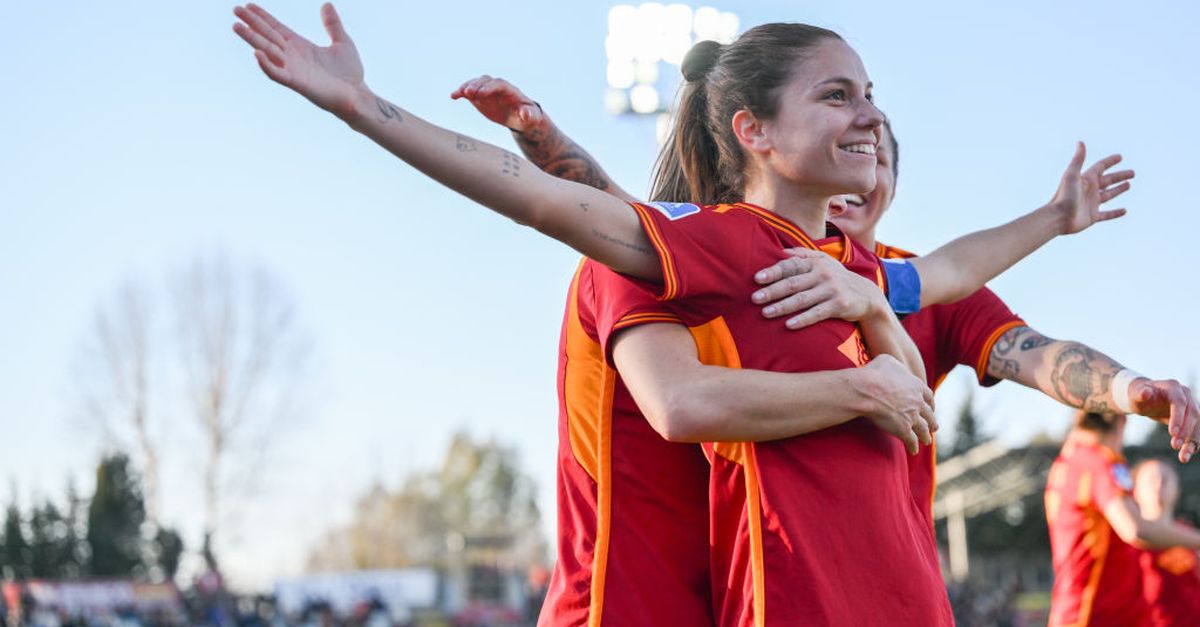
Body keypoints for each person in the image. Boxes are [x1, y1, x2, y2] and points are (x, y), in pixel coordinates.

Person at [230, 7, 1188, 625]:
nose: (869, 123)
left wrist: (1109, 351)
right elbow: (549, 207)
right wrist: (361, 104)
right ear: (753, 131)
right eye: (840, 97)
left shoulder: (877, 274)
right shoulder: (728, 243)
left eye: (875, 105)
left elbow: (974, 288)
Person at [1047, 413, 1200, 626]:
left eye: (1165, 479)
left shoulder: (1069, 461)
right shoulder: (1098, 461)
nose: (1158, 486)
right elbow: (1137, 530)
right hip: (1093, 616)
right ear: (1120, 421)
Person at [1133, 459, 1200, 626]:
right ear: (1134, 490)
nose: (1159, 484)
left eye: (1165, 478)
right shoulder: (1125, 539)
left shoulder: (1189, 535)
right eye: (1151, 479)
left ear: (1177, 490)